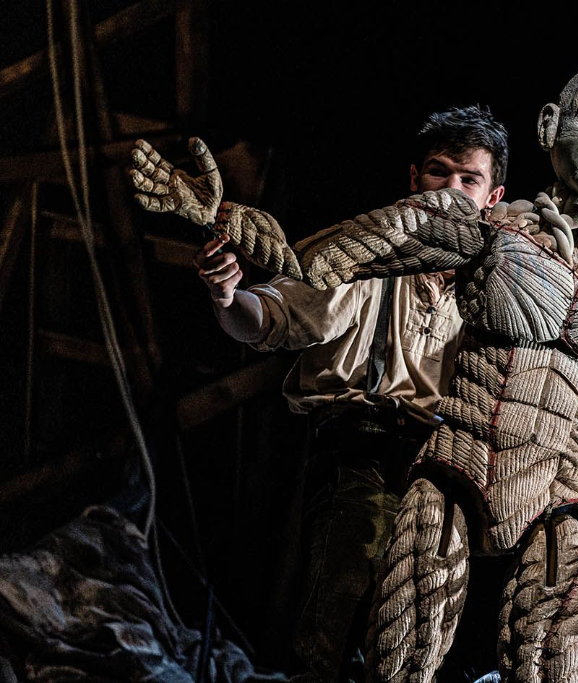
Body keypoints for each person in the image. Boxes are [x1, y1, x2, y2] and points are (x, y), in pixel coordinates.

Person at [187, 105, 508, 683]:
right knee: (340, 629)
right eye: (439, 172)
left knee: (427, 651)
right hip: (364, 457)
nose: (451, 191)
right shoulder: (365, 258)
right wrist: (227, 295)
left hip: (449, 477)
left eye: (469, 180)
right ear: (414, 179)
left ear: (493, 197)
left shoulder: (498, 285)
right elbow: (273, 318)